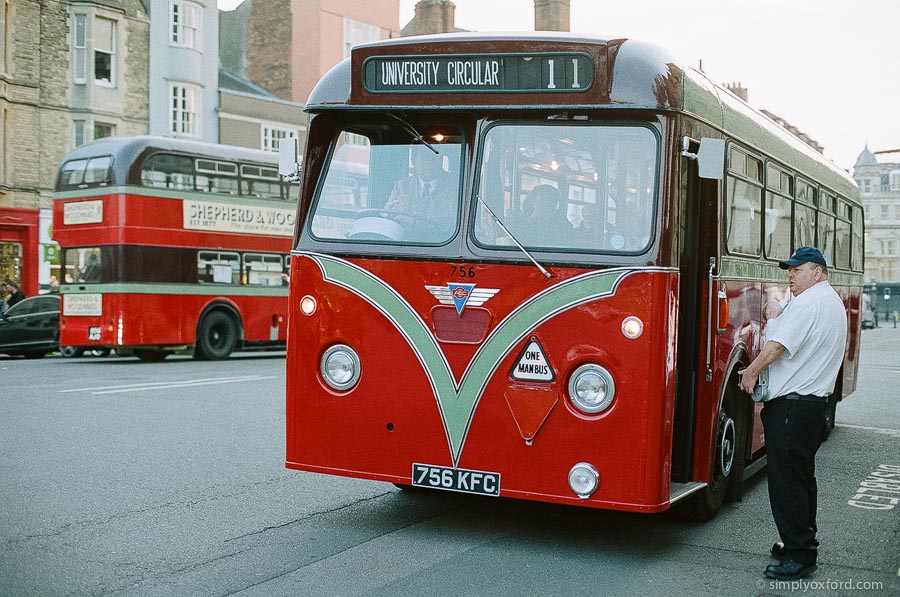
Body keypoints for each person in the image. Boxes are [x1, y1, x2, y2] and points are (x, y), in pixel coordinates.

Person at [738, 246, 847, 581]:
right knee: (802, 480)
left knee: (787, 484)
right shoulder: (830, 302)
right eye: (789, 270)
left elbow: (779, 345)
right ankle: (801, 543)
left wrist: (751, 371)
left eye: (797, 270)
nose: (790, 275)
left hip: (792, 406)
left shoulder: (808, 302)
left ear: (817, 271)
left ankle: (798, 556)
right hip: (811, 406)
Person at [383, 145, 456, 239]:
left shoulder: (454, 186)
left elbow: (449, 223)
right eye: (425, 156)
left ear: (441, 159)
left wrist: (410, 220)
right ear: (413, 161)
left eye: (435, 156)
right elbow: (387, 214)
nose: (431, 161)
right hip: (403, 242)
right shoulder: (402, 186)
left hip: (440, 244)